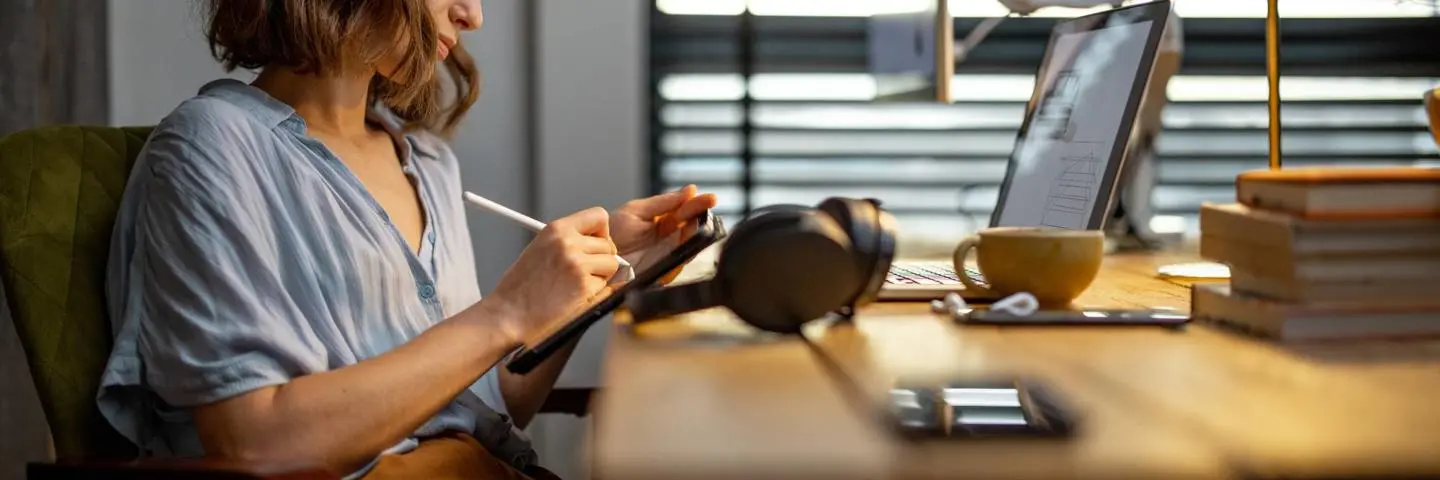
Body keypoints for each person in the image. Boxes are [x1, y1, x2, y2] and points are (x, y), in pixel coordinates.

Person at [94, 0, 717, 478]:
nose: (472, 16)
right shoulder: (211, 146)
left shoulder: (428, 164)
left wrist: (595, 283)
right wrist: (506, 312)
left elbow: (490, 404)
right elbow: (256, 443)